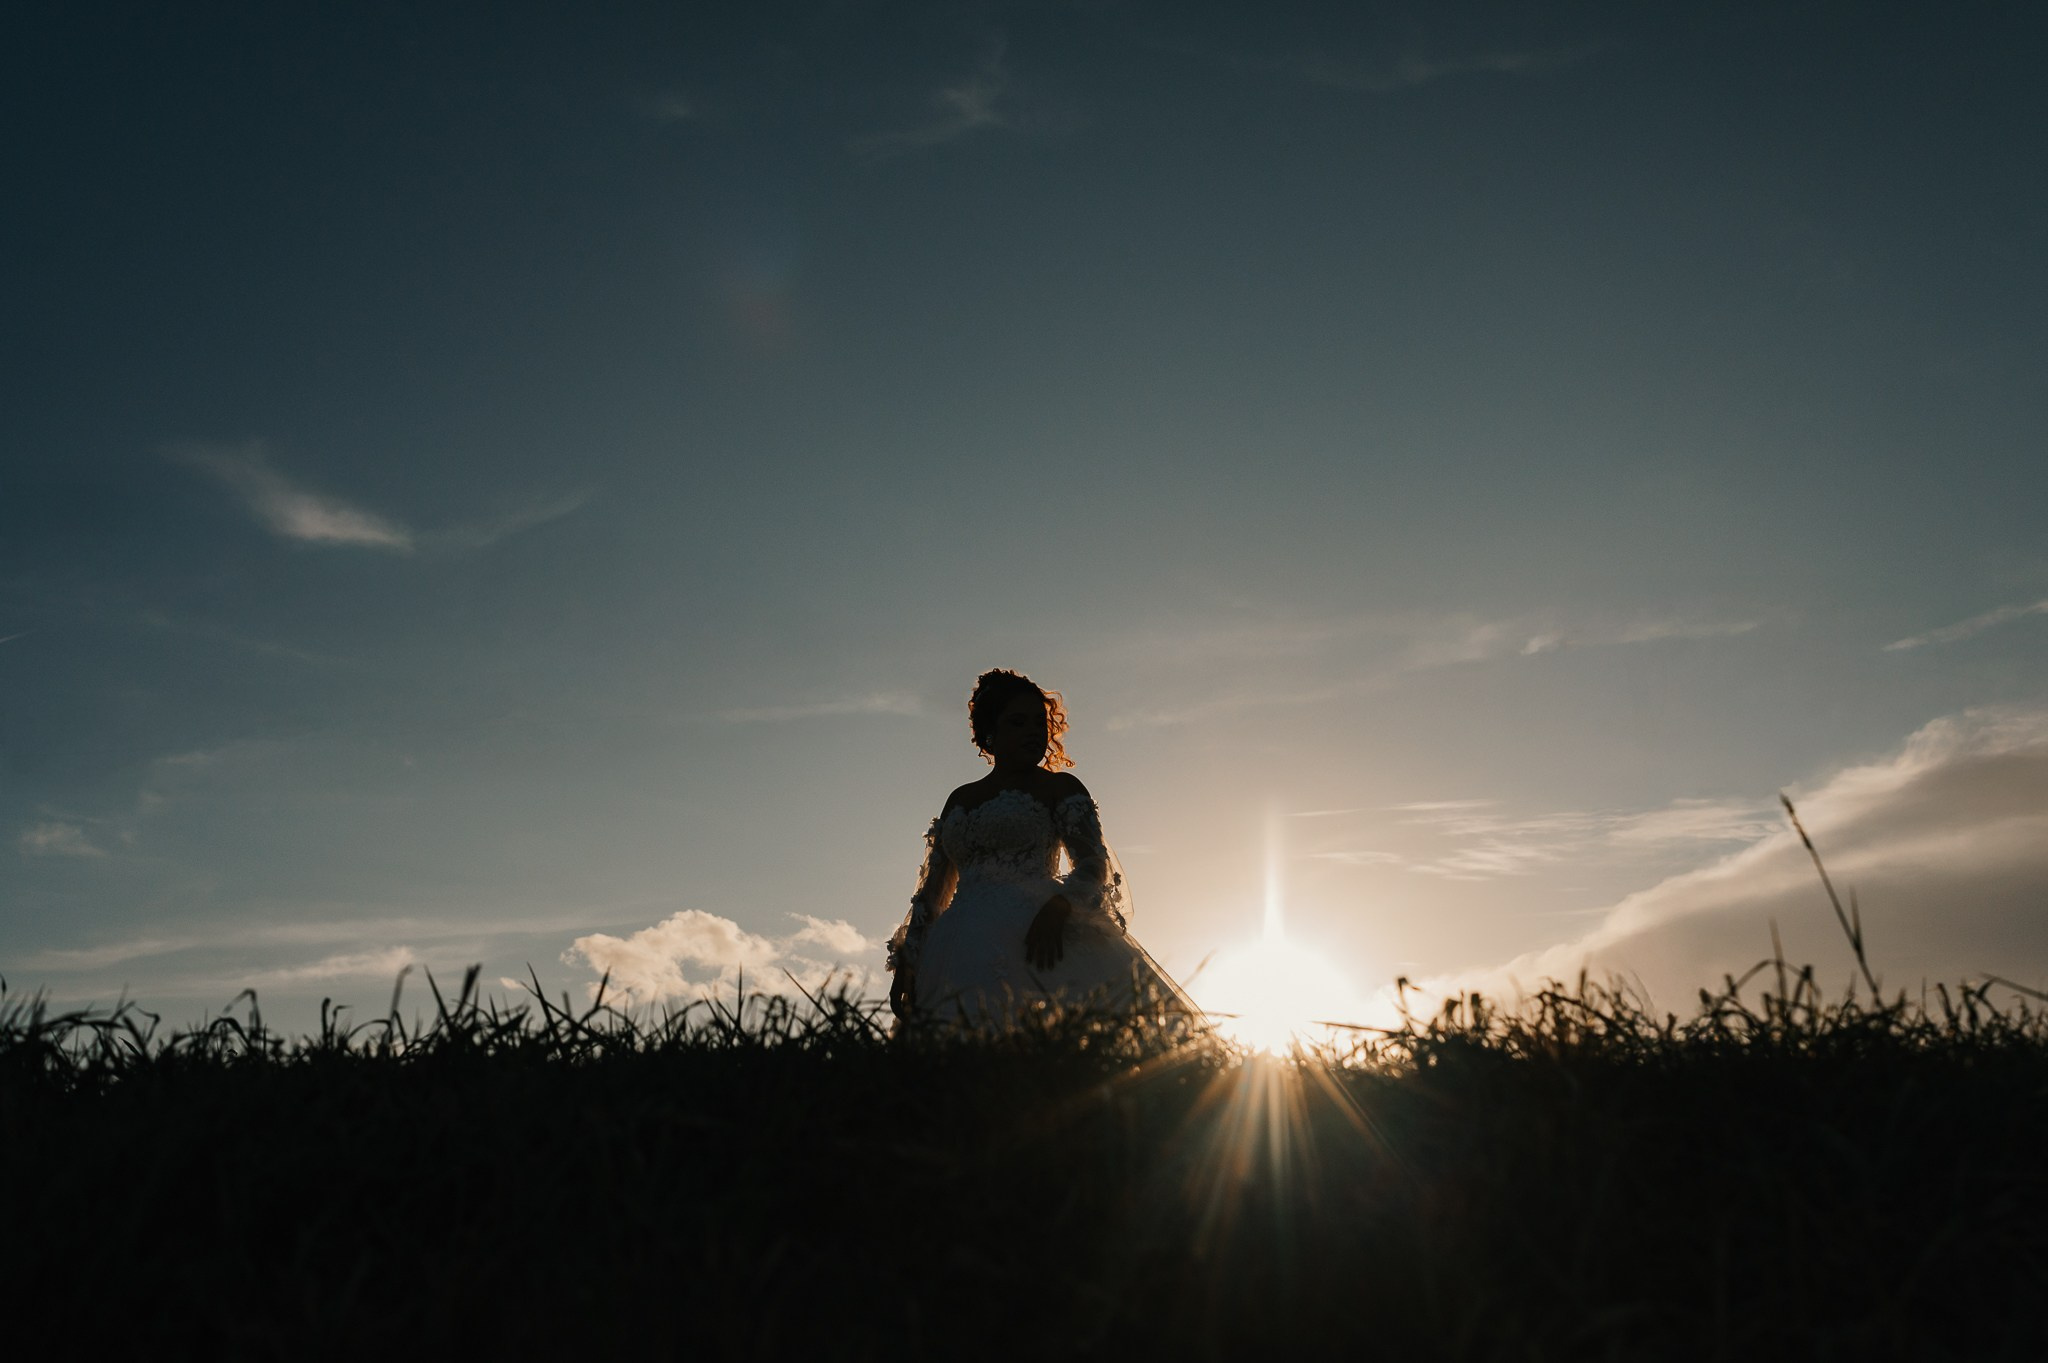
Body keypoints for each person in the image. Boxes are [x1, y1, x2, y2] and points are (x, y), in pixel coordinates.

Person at [887, 669, 1193, 1030]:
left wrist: (1061, 906)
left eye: (1039, 722)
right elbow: (932, 893)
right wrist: (909, 960)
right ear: (990, 732)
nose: (1034, 732)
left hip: (1039, 932)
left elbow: (1093, 863)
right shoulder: (959, 799)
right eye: (1018, 722)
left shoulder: (1060, 788)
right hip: (956, 948)